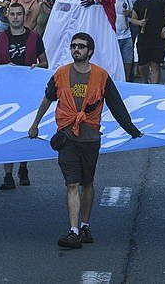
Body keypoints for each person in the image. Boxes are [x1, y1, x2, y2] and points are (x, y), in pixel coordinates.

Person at [27, 33, 143, 250]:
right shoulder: (61, 74)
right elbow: (47, 99)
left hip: (90, 138)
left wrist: (132, 130)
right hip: (67, 136)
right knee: (72, 183)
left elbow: (117, 105)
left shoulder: (101, 76)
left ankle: (85, 226)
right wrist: (35, 124)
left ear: (90, 51)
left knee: (87, 182)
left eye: (81, 46)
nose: (76, 50)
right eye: (74, 46)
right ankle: (73, 231)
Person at [0, 3, 47, 190]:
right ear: (7, 16)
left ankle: (23, 167)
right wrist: (4, 68)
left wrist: (38, 67)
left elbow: (45, 62)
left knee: (26, 131)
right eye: (12, 14)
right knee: (7, 133)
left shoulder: (34, 37)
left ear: (24, 16)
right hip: (5, 94)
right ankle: (7, 175)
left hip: (28, 93)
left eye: (19, 14)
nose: (15, 17)